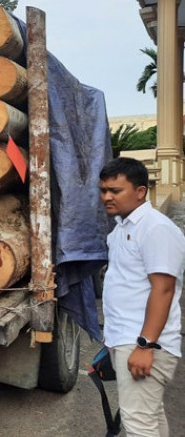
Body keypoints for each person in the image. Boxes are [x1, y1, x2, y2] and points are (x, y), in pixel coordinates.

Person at [99, 157, 185, 436]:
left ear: (140, 191)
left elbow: (164, 289)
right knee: (150, 417)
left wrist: (146, 345)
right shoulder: (122, 228)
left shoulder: (155, 228)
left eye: (115, 190)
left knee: (138, 424)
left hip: (144, 342)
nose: (107, 197)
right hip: (126, 337)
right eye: (104, 190)